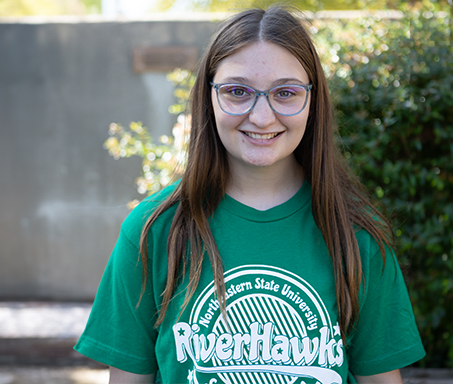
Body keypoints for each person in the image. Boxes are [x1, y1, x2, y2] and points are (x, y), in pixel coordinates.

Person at [75, 5, 425, 384]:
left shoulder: (359, 236)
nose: (261, 116)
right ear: (209, 96)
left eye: (286, 93)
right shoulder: (152, 232)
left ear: (313, 100)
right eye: (237, 91)